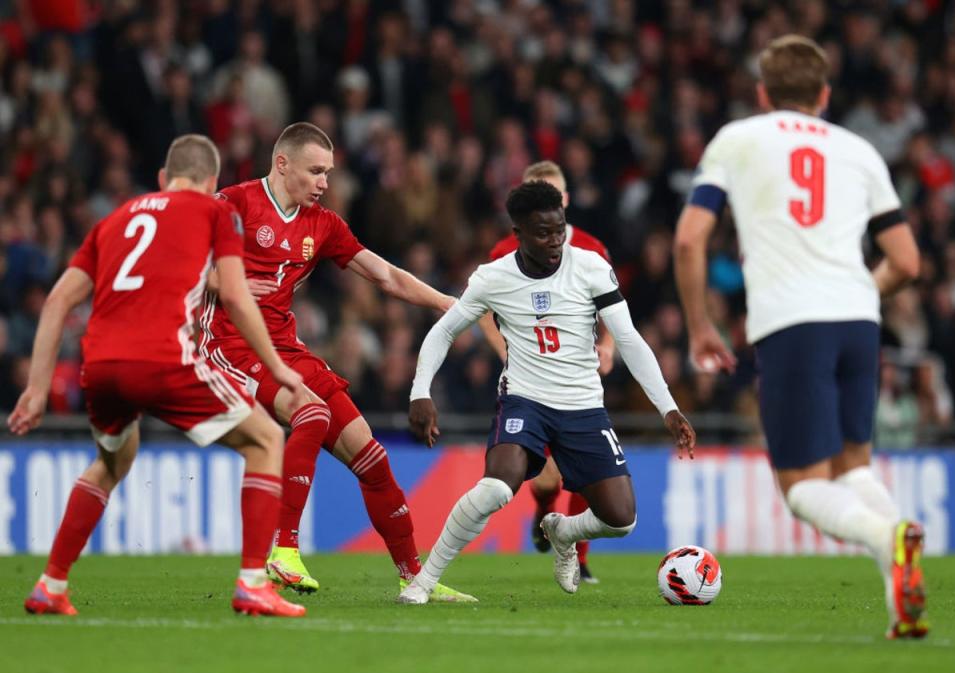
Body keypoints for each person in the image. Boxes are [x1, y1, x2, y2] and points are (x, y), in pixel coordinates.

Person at [673, 35, 928, 639]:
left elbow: (688, 239)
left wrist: (699, 325)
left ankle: (888, 536)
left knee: (801, 486)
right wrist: (862, 290)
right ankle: (902, 581)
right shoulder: (859, 149)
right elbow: (908, 261)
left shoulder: (739, 139)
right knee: (850, 467)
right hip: (859, 323)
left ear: (762, 93)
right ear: (824, 94)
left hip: (792, 321)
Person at [9, 134, 308, 618]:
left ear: (163, 180)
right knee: (266, 440)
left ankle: (51, 583)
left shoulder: (114, 220)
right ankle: (254, 582)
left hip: (101, 367)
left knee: (112, 460)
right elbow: (234, 295)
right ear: (212, 182)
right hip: (165, 359)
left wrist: (37, 389)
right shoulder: (216, 212)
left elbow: (58, 300)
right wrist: (276, 366)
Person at [199, 122, 474, 602]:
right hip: (230, 343)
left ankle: (417, 578)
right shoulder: (234, 204)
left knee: (371, 456)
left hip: (284, 346)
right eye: (316, 171)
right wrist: (231, 284)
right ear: (282, 164)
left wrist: (448, 304)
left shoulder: (322, 224)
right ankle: (282, 550)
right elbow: (189, 267)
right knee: (311, 411)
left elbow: (385, 275)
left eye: (328, 172)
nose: (325, 182)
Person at [398, 181, 695, 603]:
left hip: (583, 407)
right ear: (517, 233)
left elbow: (628, 339)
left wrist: (668, 408)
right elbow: (444, 331)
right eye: (542, 232)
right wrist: (420, 391)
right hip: (525, 401)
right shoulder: (492, 278)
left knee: (621, 520)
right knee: (497, 489)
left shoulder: (590, 267)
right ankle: (423, 582)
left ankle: (563, 530)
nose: (555, 240)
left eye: (559, 230)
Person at [478, 160, 614, 583]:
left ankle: (579, 554)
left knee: (584, 471)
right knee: (544, 483)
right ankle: (543, 512)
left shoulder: (592, 249)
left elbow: (610, 302)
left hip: (575, 372)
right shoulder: (504, 252)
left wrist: (607, 345)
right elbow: (481, 308)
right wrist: (506, 350)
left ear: (566, 201)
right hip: (526, 379)